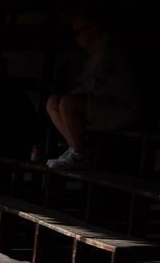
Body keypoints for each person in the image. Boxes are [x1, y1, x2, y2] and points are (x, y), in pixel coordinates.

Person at [46, 12, 140, 169]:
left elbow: (90, 85)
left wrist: (66, 95)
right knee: (52, 103)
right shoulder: (94, 50)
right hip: (102, 105)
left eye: (78, 32)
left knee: (67, 103)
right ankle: (75, 149)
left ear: (94, 28)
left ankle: (79, 154)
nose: (75, 37)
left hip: (122, 108)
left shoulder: (107, 49)